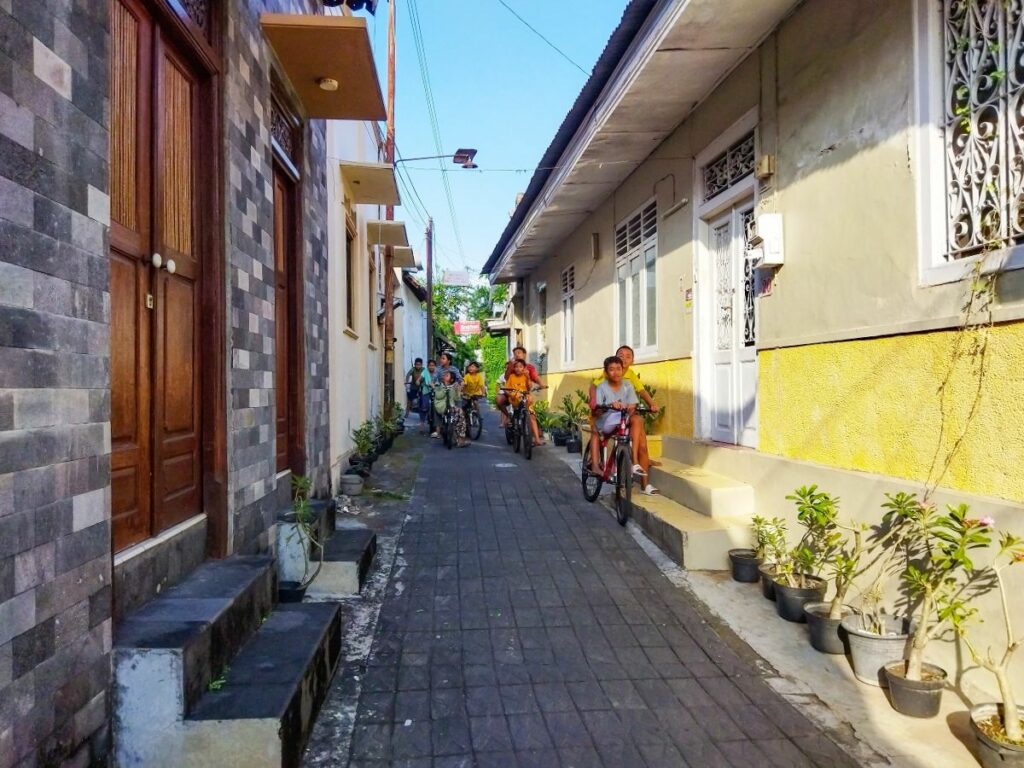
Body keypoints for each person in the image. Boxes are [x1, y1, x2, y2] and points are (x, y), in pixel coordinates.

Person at [590, 346, 658, 494]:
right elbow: (594, 389)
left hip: (626, 416)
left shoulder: (630, 378)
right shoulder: (606, 376)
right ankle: (598, 463)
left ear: (632, 361)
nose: (624, 358)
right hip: (608, 415)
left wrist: (651, 403)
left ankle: (644, 482)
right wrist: (595, 402)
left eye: (628, 356)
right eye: (621, 355)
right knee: (596, 430)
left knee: (642, 446)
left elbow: (641, 391)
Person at [496, 346, 541, 427]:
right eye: (515, 354)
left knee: (531, 413)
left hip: (524, 394)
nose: (517, 355)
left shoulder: (530, 367)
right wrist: (510, 365)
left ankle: (536, 434)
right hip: (512, 393)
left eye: (519, 353)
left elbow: (535, 377)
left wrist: (541, 384)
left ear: (524, 354)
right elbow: (506, 377)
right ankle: (508, 416)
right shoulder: (513, 366)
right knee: (499, 400)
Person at [503, 358, 544, 447]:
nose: (518, 368)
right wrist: (510, 394)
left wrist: (528, 377)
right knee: (518, 398)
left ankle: (537, 439)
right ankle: (516, 421)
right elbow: (506, 389)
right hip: (515, 399)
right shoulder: (511, 377)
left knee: (532, 415)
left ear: (524, 368)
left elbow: (529, 388)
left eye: (520, 367)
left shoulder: (526, 376)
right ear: (514, 368)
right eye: (516, 367)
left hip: (525, 400)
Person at [432, 369, 469, 447]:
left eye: (447, 375)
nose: (444, 376)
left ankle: (460, 438)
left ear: (451, 379)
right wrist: (444, 390)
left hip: (452, 406)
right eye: (444, 375)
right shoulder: (439, 385)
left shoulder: (454, 386)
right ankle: (441, 432)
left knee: (461, 415)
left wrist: (457, 390)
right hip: (441, 406)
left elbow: (457, 398)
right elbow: (438, 396)